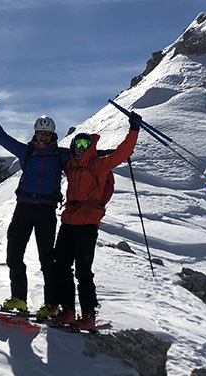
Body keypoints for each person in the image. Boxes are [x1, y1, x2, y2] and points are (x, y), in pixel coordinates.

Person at [50, 113, 140, 330]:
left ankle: (88, 315)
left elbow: (123, 153)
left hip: (88, 223)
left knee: (82, 270)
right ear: (72, 146)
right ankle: (69, 311)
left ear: (90, 147)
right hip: (68, 221)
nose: (81, 146)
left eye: (85, 143)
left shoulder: (99, 164)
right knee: (61, 266)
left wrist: (133, 131)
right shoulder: (70, 166)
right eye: (77, 143)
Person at [0, 98, 69, 316]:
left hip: (46, 210)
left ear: (53, 135)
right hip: (23, 208)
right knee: (14, 255)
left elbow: (90, 157)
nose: (43, 136)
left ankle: (51, 304)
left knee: (47, 259)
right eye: (41, 132)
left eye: (47, 134)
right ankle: (19, 299)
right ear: (35, 133)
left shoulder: (61, 155)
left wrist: (126, 143)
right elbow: (1, 138)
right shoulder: (26, 151)